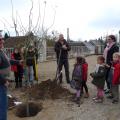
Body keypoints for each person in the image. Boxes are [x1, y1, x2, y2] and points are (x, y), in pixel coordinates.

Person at [0, 37, 22, 120]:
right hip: (1, 84)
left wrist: (18, 62)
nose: (2, 41)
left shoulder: (1, 51)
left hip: (2, 82)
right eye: (0, 40)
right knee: (2, 106)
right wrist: (3, 81)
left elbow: (8, 60)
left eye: (2, 40)